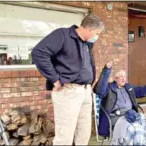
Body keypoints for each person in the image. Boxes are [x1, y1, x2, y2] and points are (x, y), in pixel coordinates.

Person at [31, 14, 105, 145]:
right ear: (89, 29)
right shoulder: (63, 35)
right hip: (68, 91)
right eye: (97, 33)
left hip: (86, 91)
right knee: (65, 136)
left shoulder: (87, 44)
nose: (97, 37)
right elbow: (39, 52)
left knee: (84, 133)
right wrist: (54, 79)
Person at [94, 62, 146, 145]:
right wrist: (107, 70)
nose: (124, 78)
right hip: (118, 118)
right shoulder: (109, 88)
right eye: (121, 76)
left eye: (124, 76)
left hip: (132, 115)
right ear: (116, 79)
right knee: (137, 131)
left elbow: (143, 91)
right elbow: (99, 91)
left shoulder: (129, 87)